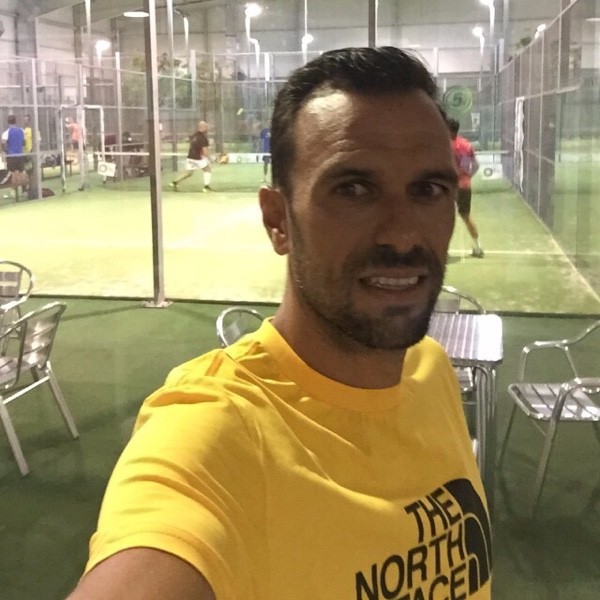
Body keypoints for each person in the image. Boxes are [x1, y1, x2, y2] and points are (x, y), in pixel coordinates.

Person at [66, 47, 491, 600]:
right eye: (353, 190)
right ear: (277, 221)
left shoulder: (431, 372)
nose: (403, 234)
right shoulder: (217, 435)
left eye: (428, 190)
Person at [447, 117, 484, 258]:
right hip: (464, 186)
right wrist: (467, 177)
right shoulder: (465, 145)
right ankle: (477, 248)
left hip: (449, 187)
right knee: (466, 215)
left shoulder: (444, 145)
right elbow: (474, 166)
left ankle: (442, 250)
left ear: (449, 129)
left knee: (444, 218)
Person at [170, 120, 212, 192]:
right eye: (206, 126)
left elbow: (188, 140)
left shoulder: (194, 135)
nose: (207, 128)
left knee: (189, 173)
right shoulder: (203, 138)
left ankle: (174, 182)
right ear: (202, 127)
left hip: (190, 157)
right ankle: (206, 187)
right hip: (197, 158)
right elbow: (205, 152)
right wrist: (211, 159)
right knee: (207, 170)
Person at [1, 115, 28, 193]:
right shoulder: (21, 130)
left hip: (11, 155)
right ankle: (24, 190)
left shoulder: (7, 132)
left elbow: (3, 143)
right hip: (20, 155)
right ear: (16, 121)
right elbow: (24, 142)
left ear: (8, 122)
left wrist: (5, 150)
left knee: (13, 174)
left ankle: (14, 192)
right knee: (22, 172)